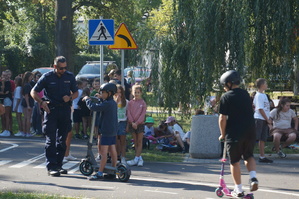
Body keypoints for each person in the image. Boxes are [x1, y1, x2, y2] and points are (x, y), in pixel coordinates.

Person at [31, 56, 78, 177]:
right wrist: (41, 102)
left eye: (65, 68)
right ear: (55, 66)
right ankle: (51, 166)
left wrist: (70, 97)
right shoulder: (47, 77)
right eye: (61, 68)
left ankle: (58, 164)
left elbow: (76, 92)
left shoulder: (70, 76)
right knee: (51, 139)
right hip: (51, 110)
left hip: (65, 110)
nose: (63, 70)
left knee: (62, 140)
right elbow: (33, 92)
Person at [218, 70, 258, 198]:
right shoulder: (245, 94)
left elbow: (222, 118)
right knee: (249, 156)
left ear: (229, 83)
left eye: (224, 85)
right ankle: (253, 178)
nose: (224, 88)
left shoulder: (226, 97)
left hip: (234, 133)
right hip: (250, 131)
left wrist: (222, 134)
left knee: (234, 162)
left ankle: (238, 190)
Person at [83, 83, 118, 180]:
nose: (101, 94)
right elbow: (102, 103)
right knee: (112, 150)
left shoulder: (107, 104)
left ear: (109, 93)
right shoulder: (112, 102)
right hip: (113, 130)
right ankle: (113, 170)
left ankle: (100, 172)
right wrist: (101, 98)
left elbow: (94, 107)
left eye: (103, 93)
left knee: (103, 153)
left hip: (106, 131)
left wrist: (87, 100)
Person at [253, 78, 273, 163]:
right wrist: (267, 119)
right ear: (261, 85)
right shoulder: (258, 96)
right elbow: (260, 109)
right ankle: (246, 153)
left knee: (263, 138)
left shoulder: (264, 95)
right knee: (255, 137)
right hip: (259, 119)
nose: (267, 85)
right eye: (265, 83)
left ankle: (262, 156)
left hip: (264, 119)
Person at [126, 84, 147, 167]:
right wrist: (132, 122)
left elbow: (142, 114)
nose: (137, 94)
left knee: (139, 141)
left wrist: (137, 123)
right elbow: (129, 113)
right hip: (132, 124)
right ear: (132, 92)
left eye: (138, 92)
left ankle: (137, 158)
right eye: (135, 92)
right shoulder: (130, 103)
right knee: (135, 141)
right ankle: (138, 158)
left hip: (140, 124)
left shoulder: (143, 103)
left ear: (141, 93)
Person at [114, 84, 128, 163]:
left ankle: (123, 157)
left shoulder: (126, 102)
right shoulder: (113, 102)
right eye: (117, 93)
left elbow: (128, 114)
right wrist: (116, 101)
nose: (118, 95)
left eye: (120, 93)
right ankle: (117, 156)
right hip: (115, 122)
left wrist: (127, 126)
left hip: (123, 122)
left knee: (123, 140)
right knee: (115, 140)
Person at [21, 71, 35, 137]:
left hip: (26, 102)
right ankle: (27, 132)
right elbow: (26, 95)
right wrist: (28, 105)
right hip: (28, 102)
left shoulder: (25, 84)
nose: (31, 78)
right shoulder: (27, 85)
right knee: (28, 118)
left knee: (26, 118)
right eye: (31, 77)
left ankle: (24, 132)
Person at [0, 70, 13, 136]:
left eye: (6, 75)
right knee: (2, 115)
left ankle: (7, 130)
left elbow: (6, 92)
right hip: (1, 99)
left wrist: (3, 85)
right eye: (3, 75)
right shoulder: (0, 82)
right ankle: (3, 129)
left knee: (7, 115)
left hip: (7, 99)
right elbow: (2, 92)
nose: (4, 77)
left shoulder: (8, 83)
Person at [31, 71, 43, 135]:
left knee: (39, 117)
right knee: (34, 117)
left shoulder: (42, 86)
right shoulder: (36, 85)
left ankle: (39, 130)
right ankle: (35, 129)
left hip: (40, 102)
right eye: (36, 78)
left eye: (38, 78)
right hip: (36, 102)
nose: (37, 79)